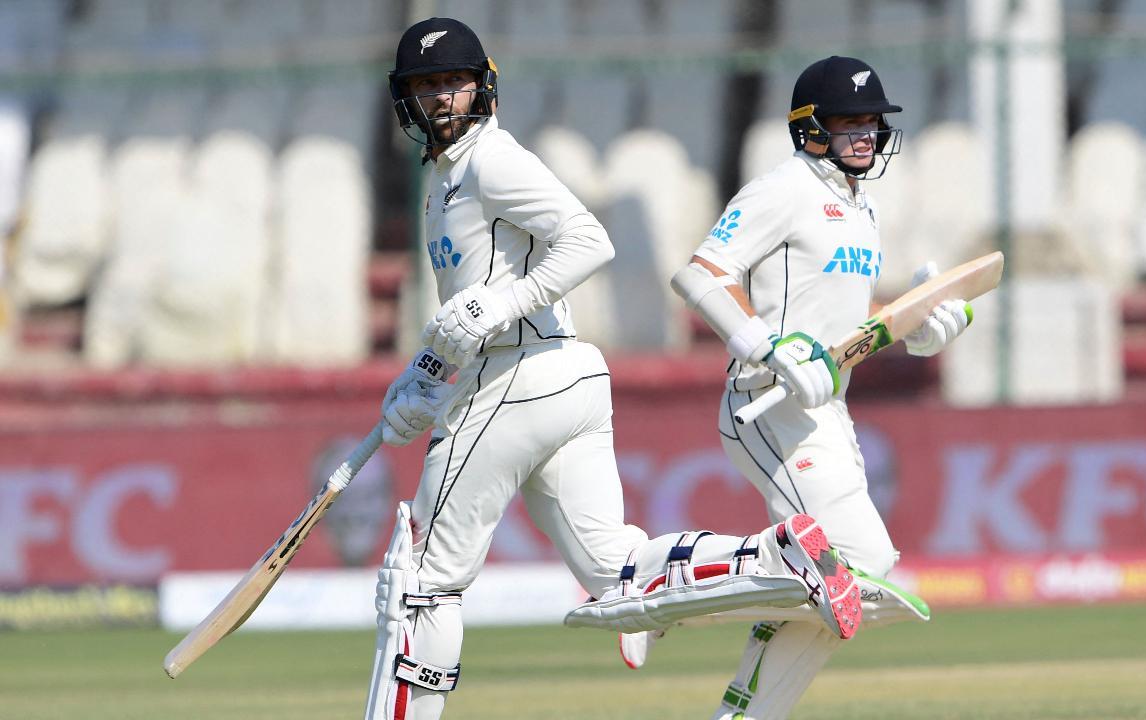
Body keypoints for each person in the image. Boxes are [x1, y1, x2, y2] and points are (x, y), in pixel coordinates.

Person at [366, 21, 863, 720]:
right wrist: (419, 377)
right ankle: (776, 559)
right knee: (616, 573)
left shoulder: (491, 162)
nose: (442, 99)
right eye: (425, 86)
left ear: (483, 86)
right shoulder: (444, 183)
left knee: (420, 581)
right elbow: (466, 308)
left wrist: (501, 307)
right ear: (404, 99)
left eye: (454, 82)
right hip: (558, 380)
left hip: (519, 379)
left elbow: (586, 240)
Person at [661, 56, 971, 719]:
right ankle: (664, 579)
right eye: (849, 121)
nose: (866, 134)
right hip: (765, 402)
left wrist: (920, 327)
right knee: (853, 563)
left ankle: (742, 714)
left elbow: (849, 328)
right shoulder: (785, 188)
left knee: (853, 578)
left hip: (827, 408)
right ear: (810, 129)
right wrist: (764, 346)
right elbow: (699, 275)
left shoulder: (864, 209)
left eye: (873, 122)